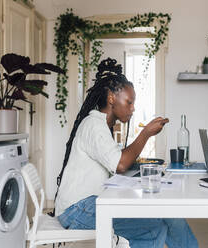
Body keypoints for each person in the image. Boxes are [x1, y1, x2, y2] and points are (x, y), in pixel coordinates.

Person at [54, 58, 198, 248]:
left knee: (168, 216)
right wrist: (146, 133)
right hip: (76, 210)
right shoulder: (94, 126)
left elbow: (115, 161)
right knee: (153, 227)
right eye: (129, 102)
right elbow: (119, 164)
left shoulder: (102, 125)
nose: (133, 108)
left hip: (90, 203)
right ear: (112, 98)